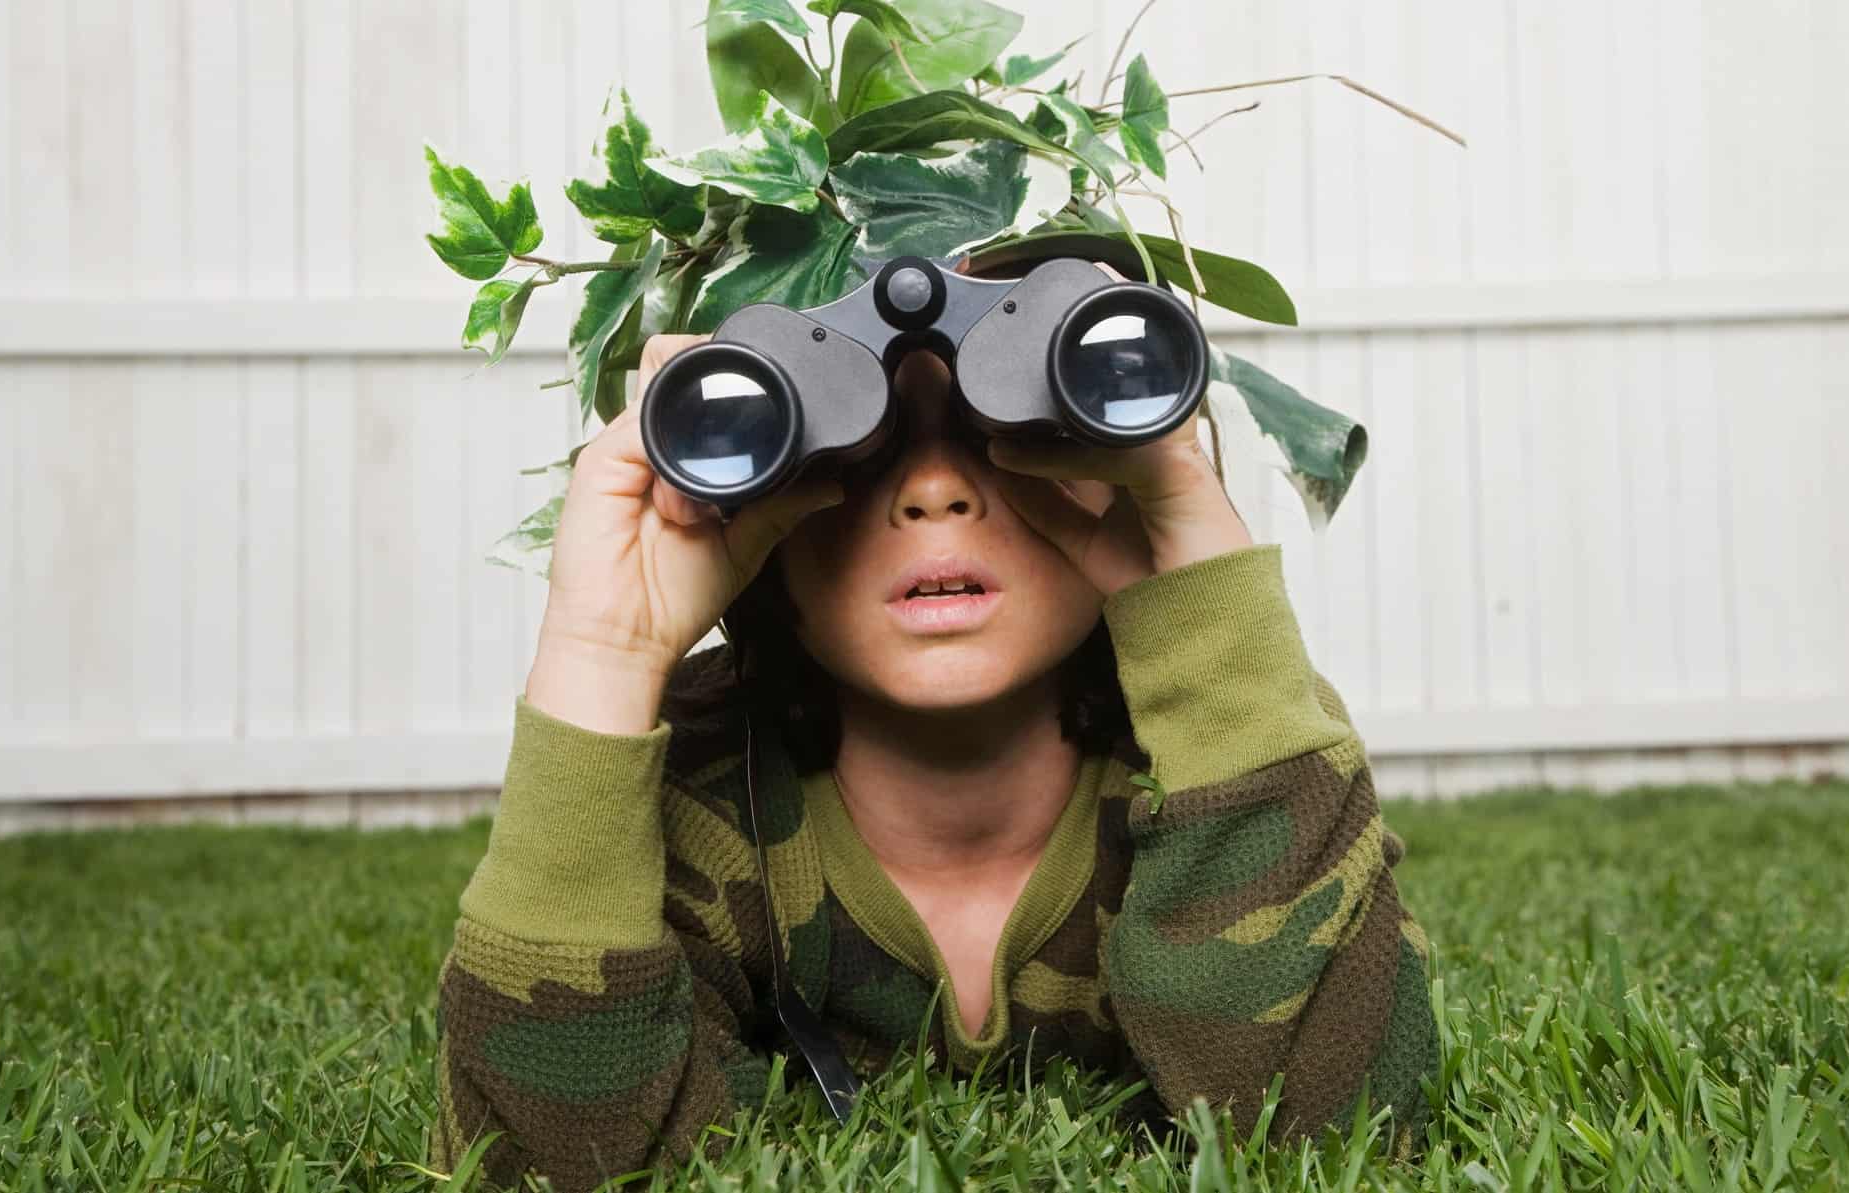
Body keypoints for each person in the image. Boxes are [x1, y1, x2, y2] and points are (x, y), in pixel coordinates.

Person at [427, 260, 1438, 1189]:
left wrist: (1203, 594)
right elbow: (537, 1165)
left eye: (1015, 428)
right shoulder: (696, 794)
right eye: (858, 444)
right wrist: (603, 650)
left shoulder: (1225, 735)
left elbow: (1338, 1130)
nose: (933, 488)